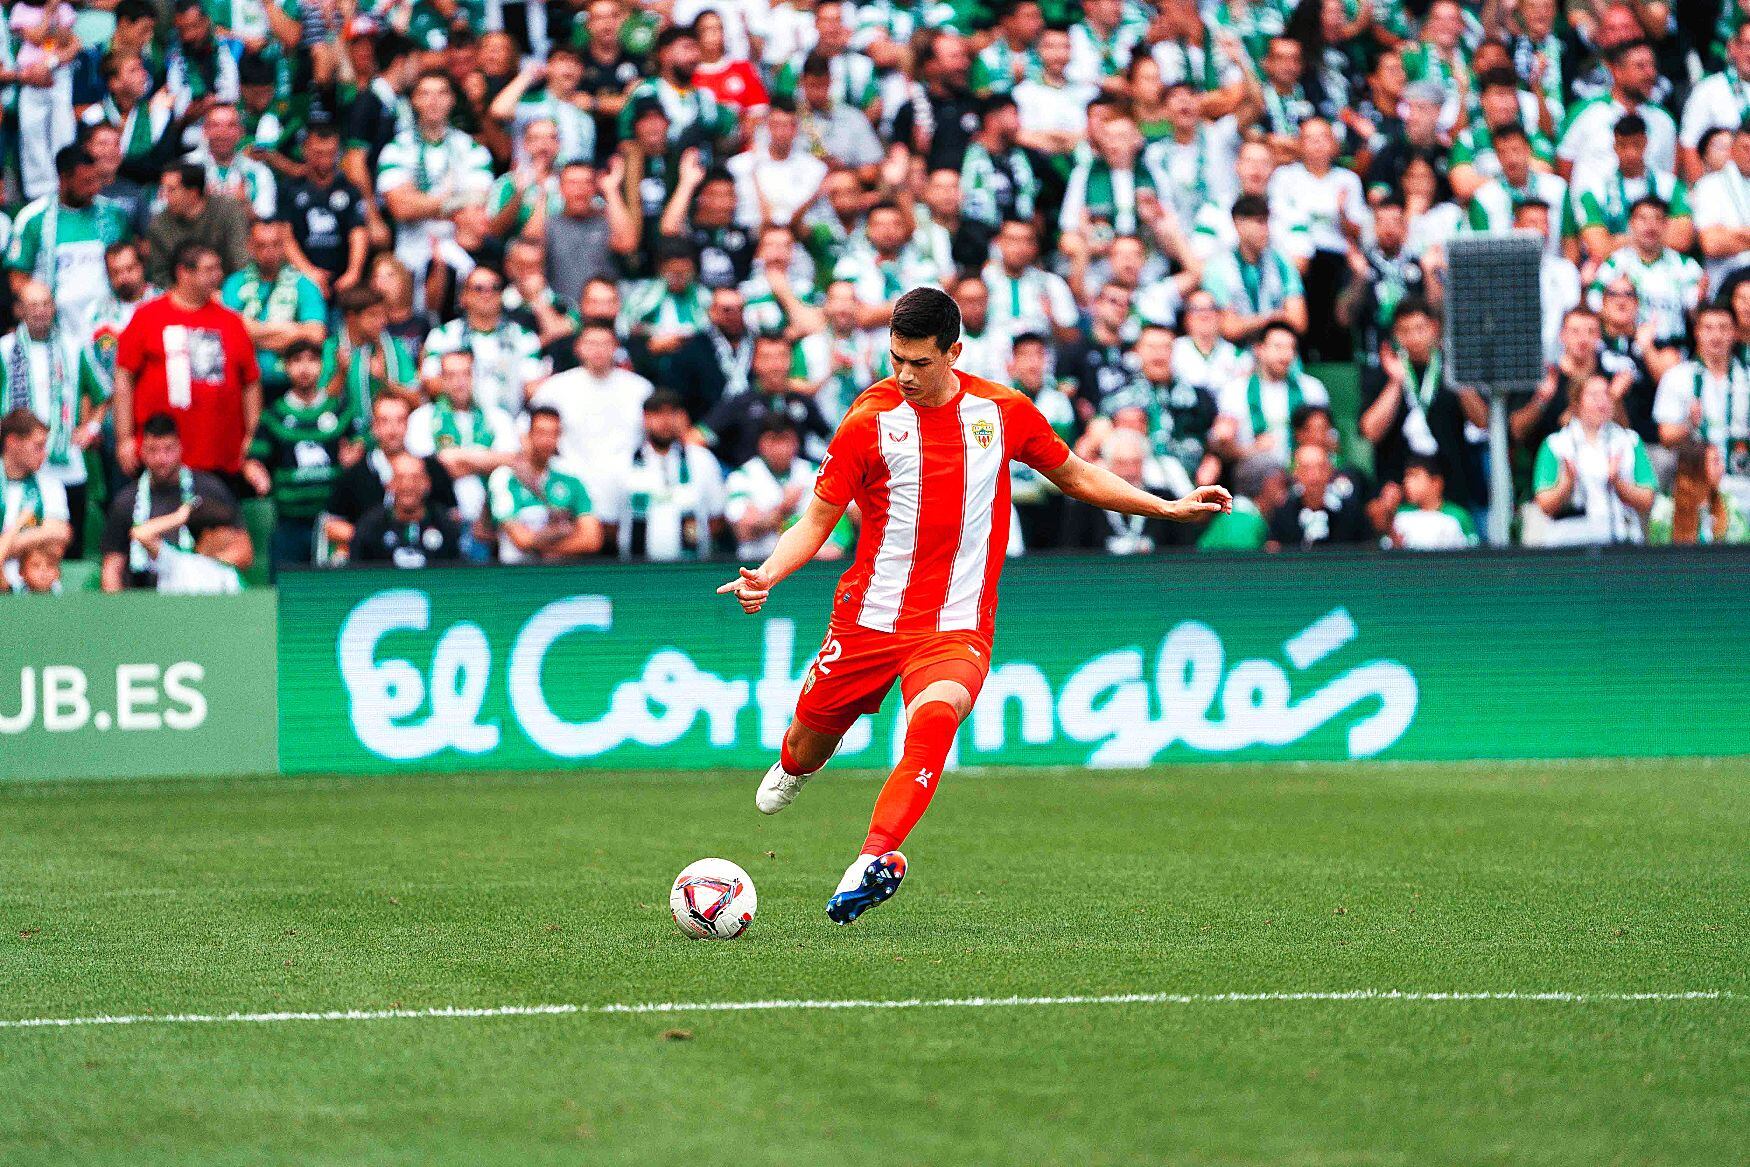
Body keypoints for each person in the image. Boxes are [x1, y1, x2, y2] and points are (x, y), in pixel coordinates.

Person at [715, 287, 1230, 924]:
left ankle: (873, 859)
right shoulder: (866, 421)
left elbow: (1074, 474)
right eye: (895, 359)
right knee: (807, 743)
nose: (903, 374)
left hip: (956, 623)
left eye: (919, 362)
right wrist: (767, 572)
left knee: (933, 726)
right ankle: (795, 768)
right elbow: (818, 520)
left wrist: (1166, 506)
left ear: (954, 352)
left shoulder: (1000, 411)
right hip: (869, 618)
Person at [112, 241, 262, 490]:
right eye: (209, 269)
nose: (218, 275)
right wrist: (124, 438)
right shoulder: (147, 317)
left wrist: (251, 437)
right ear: (184, 273)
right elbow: (124, 376)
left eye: (218, 268)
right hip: (162, 458)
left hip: (220, 457)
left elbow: (251, 382)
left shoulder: (231, 321)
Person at [0, 281, 104, 554]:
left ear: (54, 307)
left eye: (46, 304)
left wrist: (90, 427)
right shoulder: (4, 349)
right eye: (33, 305)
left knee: (68, 547)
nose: (40, 311)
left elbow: (103, 393)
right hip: (19, 463)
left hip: (65, 460)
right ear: (19, 309)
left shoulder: (73, 346)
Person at [242, 339, 359, 574]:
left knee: (331, 593)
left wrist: (355, 454)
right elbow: (254, 459)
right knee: (286, 593)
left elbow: (358, 444)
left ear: (322, 365)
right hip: (289, 523)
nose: (304, 368)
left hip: (331, 521)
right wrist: (256, 472)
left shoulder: (338, 410)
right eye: (296, 361)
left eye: (312, 360)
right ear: (286, 367)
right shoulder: (274, 415)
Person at [100, 412, 251, 591]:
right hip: (139, 598)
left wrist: (197, 566)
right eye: (153, 450)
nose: (161, 459)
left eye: (168, 449)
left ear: (180, 447)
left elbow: (244, 551)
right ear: (141, 451)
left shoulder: (210, 489)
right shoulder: (125, 501)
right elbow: (112, 567)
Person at [6, 144, 133, 337]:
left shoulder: (112, 214)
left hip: (109, 326)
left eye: (96, 180)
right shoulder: (33, 219)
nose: (95, 188)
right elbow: (18, 278)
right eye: (86, 182)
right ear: (64, 179)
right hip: (56, 327)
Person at [405, 349, 518, 559]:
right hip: (440, 522)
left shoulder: (498, 417)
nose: (459, 382)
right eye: (451, 375)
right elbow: (430, 469)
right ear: (441, 379)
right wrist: (484, 457)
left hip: (490, 525)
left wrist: (458, 458)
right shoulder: (422, 418)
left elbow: (511, 462)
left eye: (465, 374)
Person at [322, 393, 457, 565]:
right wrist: (374, 538)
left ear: (408, 424)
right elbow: (332, 525)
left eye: (399, 420)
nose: (392, 429)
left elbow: (452, 519)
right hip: (370, 566)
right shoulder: (354, 473)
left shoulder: (431, 468)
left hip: (429, 563)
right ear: (374, 427)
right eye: (384, 421)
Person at [1529, 374, 1657, 546]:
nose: (1602, 401)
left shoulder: (1630, 441)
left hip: (1621, 541)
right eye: (1594, 396)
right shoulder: (1556, 444)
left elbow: (1647, 499)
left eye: (1606, 394)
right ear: (1576, 404)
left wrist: (1618, 482)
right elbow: (1544, 504)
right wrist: (1566, 484)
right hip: (1570, 543)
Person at [602, 388, 725, 560]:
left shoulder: (702, 459)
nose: (665, 421)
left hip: (691, 568)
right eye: (657, 414)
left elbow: (716, 519)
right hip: (635, 570)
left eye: (672, 413)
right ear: (645, 418)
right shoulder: (622, 463)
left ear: (681, 417)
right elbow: (609, 525)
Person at [221, 221, 327, 401]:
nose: (269, 252)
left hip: (289, 387)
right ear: (250, 246)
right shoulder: (234, 283)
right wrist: (290, 330)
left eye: (276, 244)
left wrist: (254, 332)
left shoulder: (305, 285)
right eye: (262, 245)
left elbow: (315, 335)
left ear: (285, 246)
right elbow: (228, 332)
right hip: (242, 385)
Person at [486, 405, 603, 563]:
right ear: (528, 435)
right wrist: (564, 531)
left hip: (560, 574)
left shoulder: (570, 478)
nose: (547, 441)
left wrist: (548, 550)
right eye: (541, 433)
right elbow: (521, 540)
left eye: (553, 434)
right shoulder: (504, 477)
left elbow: (591, 539)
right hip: (516, 574)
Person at [723, 416, 847, 561]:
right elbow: (744, 531)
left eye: (785, 439)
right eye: (772, 440)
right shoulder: (741, 477)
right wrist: (783, 508)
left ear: (796, 442)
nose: (779, 448)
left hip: (811, 566)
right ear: (760, 443)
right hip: (758, 565)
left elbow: (845, 517)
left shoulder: (816, 473)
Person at [142, 164, 252, 287]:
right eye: (163, 189)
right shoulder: (159, 225)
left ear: (193, 193)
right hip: (181, 297)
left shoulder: (228, 210)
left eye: (171, 190)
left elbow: (241, 260)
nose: (165, 196)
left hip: (227, 290)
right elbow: (160, 274)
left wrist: (229, 292)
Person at [351, 452, 463, 568]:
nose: (408, 485)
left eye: (415, 478)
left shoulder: (446, 524)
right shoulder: (370, 526)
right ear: (389, 484)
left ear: (427, 483)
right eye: (400, 478)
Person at [0, 407, 73, 569]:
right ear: (12, 442)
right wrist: (36, 538)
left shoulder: (51, 485)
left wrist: (6, 544)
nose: (44, 454)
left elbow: (59, 536)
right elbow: (49, 536)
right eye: (38, 446)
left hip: (35, 587)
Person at [1267, 442, 1371, 549]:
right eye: (1307, 469)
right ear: (1296, 473)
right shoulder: (1283, 512)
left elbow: (1366, 548)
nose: (1315, 477)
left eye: (1321, 468)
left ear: (1331, 471)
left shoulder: (1351, 511)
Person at [1389, 455, 1479, 550]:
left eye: (1414, 476)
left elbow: (1473, 553)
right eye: (1406, 477)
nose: (1407, 483)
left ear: (1436, 482)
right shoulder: (1400, 515)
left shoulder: (1458, 516)